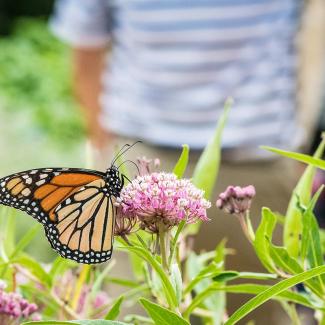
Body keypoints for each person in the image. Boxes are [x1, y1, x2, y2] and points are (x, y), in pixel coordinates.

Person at [50, 0, 325, 323]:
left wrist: (302, 137)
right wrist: (102, 144)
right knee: (140, 311)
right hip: (142, 160)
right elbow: (84, 46)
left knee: (259, 310)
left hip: (256, 168)